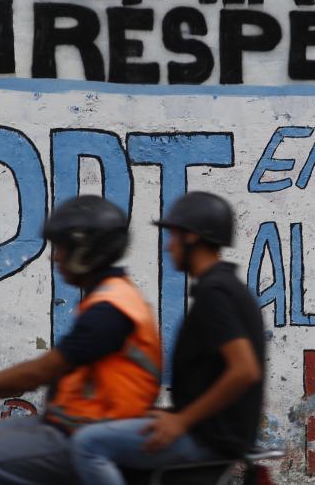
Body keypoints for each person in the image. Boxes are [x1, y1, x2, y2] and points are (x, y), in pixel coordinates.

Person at [0, 195, 161, 485]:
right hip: (65, 425)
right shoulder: (109, 298)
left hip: (85, 435)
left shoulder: (110, 311)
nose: (55, 256)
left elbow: (33, 376)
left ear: (85, 251)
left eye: (62, 248)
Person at [70, 191, 266, 485]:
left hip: (206, 440)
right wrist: (170, 413)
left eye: (173, 236)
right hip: (210, 434)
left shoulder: (216, 294)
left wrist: (181, 420)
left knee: (89, 444)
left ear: (191, 238)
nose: (168, 246)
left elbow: (244, 369)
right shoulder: (225, 288)